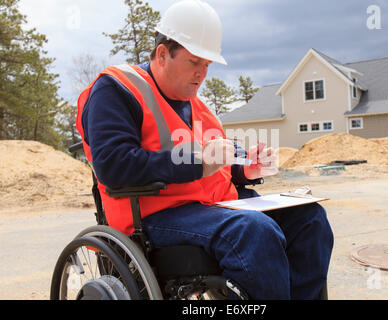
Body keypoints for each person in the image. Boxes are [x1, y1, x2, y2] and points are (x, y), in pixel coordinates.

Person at [76, 0, 333, 300]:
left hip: (213, 207)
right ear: (162, 54)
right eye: (194, 62)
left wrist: (245, 166)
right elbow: (113, 165)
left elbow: (220, 155)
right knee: (255, 232)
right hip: (158, 214)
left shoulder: (197, 103)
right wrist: (198, 162)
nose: (202, 73)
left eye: (207, 65)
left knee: (310, 218)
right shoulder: (117, 90)